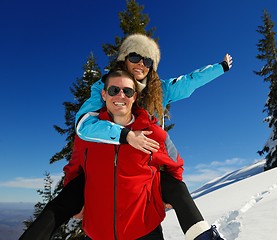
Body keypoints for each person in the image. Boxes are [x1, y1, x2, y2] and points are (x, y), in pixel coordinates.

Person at [19, 33, 231, 240]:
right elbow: (83, 126)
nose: (141, 64)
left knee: (173, 183)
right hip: (109, 150)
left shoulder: (159, 90)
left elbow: (190, 81)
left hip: (147, 154)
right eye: (135, 57)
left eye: (147, 60)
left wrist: (219, 68)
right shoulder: (106, 86)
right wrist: (127, 135)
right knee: (70, 195)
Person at [63, 70, 184, 239]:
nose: (121, 96)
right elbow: (73, 170)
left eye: (127, 91)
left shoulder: (152, 133)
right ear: (104, 95)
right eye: (114, 90)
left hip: (146, 231)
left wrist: (167, 196)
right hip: (98, 232)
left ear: (134, 97)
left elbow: (175, 164)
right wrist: (76, 203)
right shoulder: (88, 136)